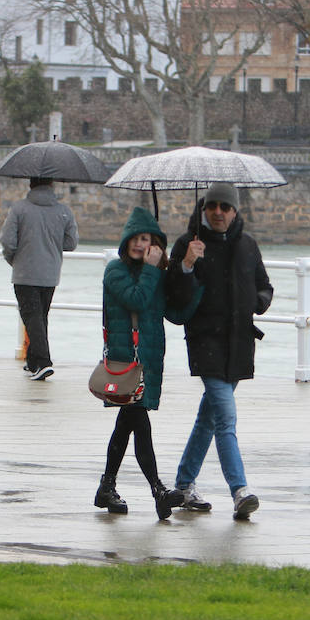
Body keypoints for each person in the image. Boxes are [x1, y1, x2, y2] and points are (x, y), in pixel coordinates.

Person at [165, 182, 273, 520]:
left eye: (225, 207)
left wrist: (257, 302)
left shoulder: (248, 246)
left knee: (208, 419)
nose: (218, 212)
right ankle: (240, 491)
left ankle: (184, 485)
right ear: (204, 208)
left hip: (239, 344)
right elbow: (174, 297)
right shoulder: (188, 245)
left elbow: (264, 286)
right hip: (205, 343)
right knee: (226, 418)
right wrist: (185, 265)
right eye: (212, 206)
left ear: (235, 211)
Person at [94, 206, 202, 519]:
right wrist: (153, 270)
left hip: (149, 361)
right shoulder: (115, 271)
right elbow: (137, 300)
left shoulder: (155, 273)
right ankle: (158, 490)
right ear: (126, 241)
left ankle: (107, 486)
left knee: (127, 424)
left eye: (148, 239)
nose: (141, 245)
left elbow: (177, 313)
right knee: (138, 423)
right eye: (137, 238)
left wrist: (193, 274)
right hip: (126, 362)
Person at [0, 177, 78, 381]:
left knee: (31, 317)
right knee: (41, 317)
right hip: (50, 274)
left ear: (30, 185)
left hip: (24, 273)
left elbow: (8, 241)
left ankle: (43, 362)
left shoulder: (19, 209)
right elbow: (71, 243)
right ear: (52, 185)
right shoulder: (64, 211)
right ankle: (33, 362)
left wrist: (14, 261)